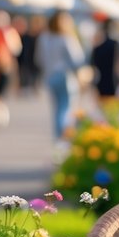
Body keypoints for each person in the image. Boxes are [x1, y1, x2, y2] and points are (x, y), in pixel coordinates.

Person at [36, 10, 86, 143]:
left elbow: (39, 59)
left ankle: (58, 137)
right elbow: (77, 60)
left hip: (50, 76)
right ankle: (63, 138)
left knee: (57, 109)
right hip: (65, 76)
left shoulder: (44, 37)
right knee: (66, 109)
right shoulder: (66, 38)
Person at [89, 17, 119, 102]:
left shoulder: (97, 47)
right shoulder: (115, 45)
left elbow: (92, 63)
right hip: (113, 81)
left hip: (102, 82)